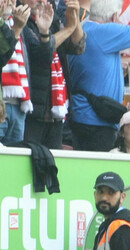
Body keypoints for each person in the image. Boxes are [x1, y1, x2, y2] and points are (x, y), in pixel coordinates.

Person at [65, 0, 130, 152]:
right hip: (97, 121)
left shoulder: (84, 28)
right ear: (114, 17)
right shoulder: (104, 31)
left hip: (81, 116)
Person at [21, 0, 85, 149]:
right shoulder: (20, 18)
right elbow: (40, 50)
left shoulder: (52, 16)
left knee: (52, 161)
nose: (43, 1)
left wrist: (74, 17)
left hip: (56, 111)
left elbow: (78, 46)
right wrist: (68, 29)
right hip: (32, 110)